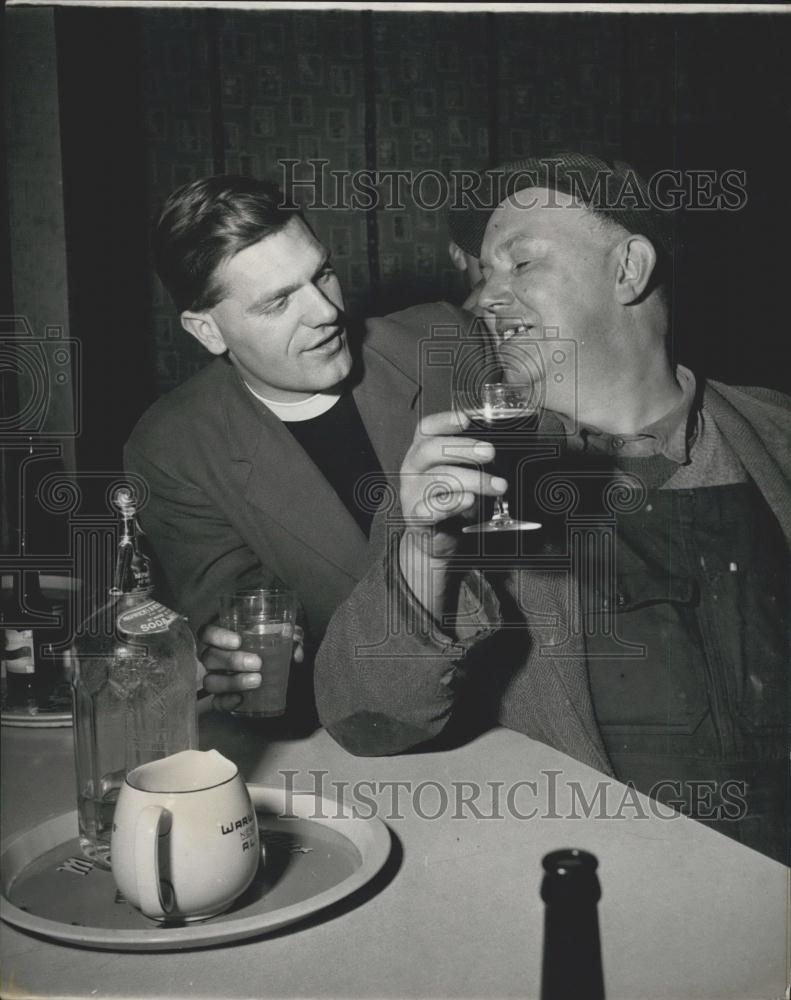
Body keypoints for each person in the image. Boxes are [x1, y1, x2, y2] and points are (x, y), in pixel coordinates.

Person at [314, 152, 790, 861]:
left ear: (628, 270)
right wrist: (423, 554)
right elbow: (367, 719)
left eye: (520, 265)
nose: (484, 299)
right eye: (483, 275)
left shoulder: (774, 434)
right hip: (608, 891)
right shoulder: (465, 470)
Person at [124, 174, 485, 720]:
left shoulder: (445, 340)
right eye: (277, 304)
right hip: (353, 728)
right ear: (207, 331)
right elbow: (246, 618)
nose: (325, 312)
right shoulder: (172, 449)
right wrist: (246, 659)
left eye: (323, 275)